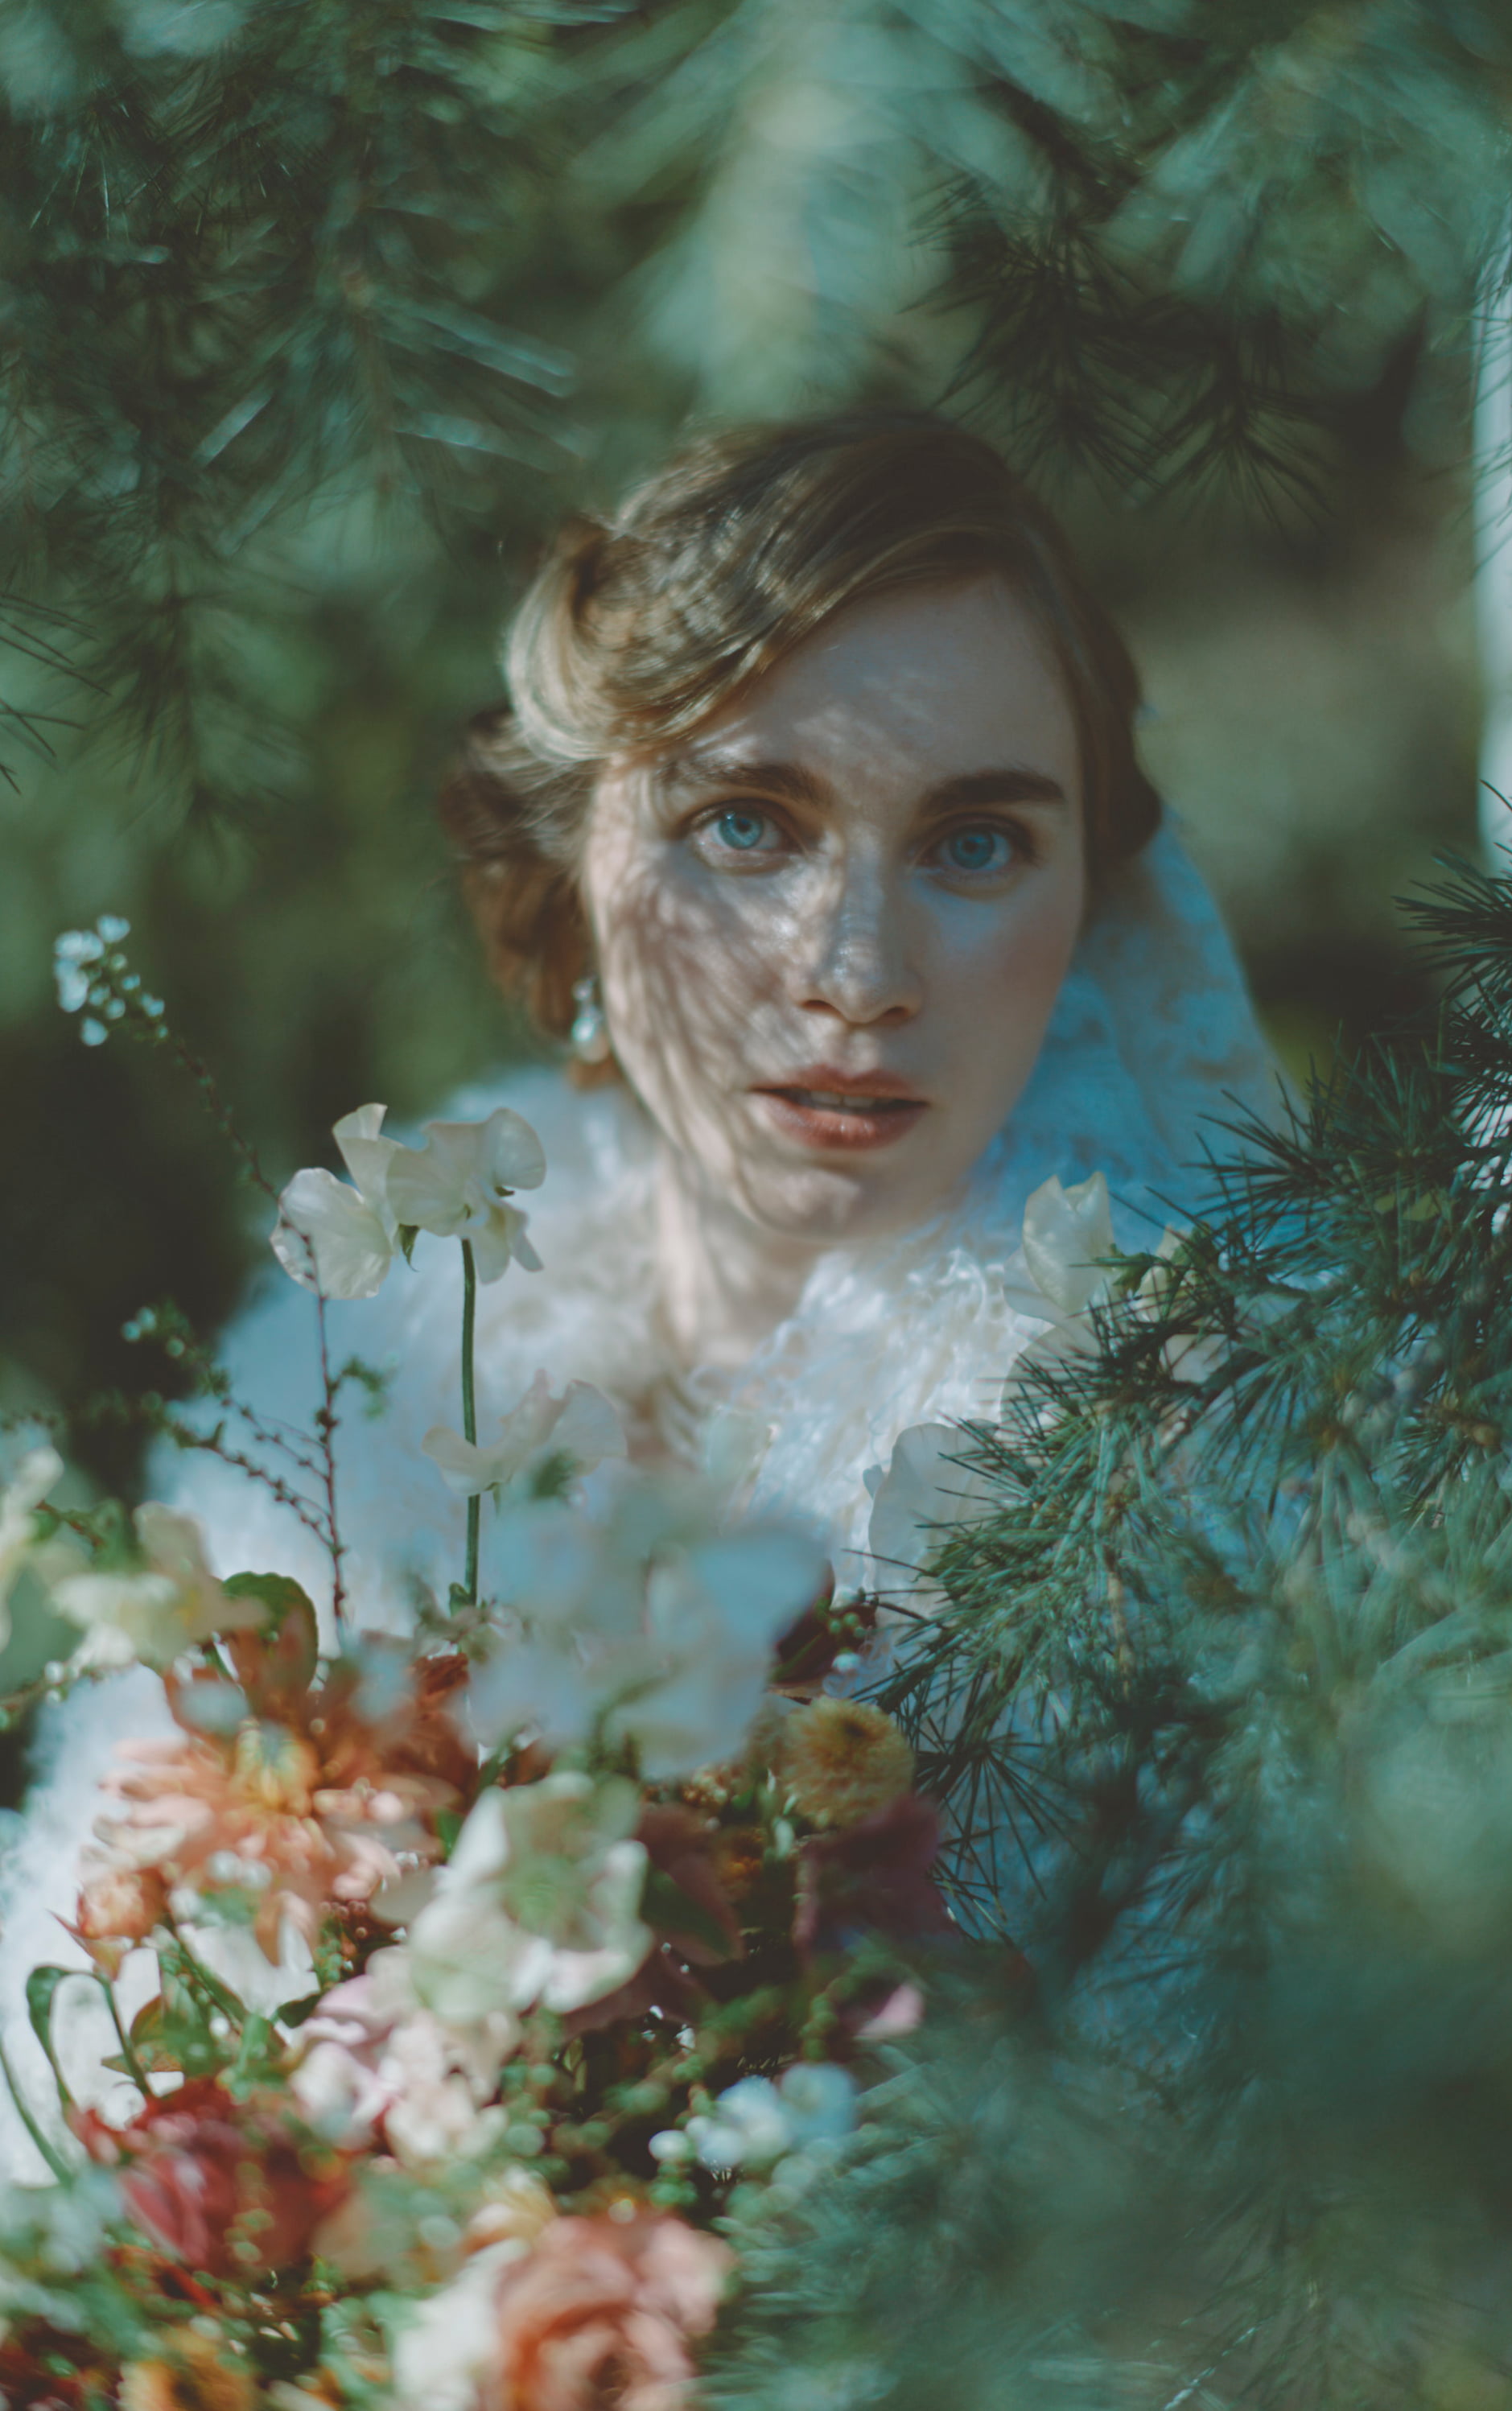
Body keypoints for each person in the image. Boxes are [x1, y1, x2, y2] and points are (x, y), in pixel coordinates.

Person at [0, 411, 1271, 2178]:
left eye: (974, 843)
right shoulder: (351, 1373)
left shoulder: (1176, 1478)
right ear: (574, 865)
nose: (853, 974)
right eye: (749, 823)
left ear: (1090, 903)